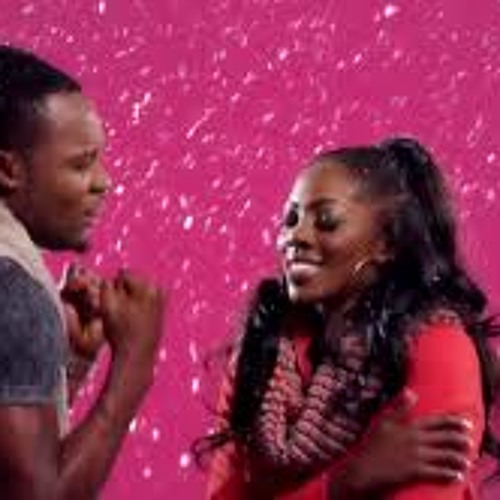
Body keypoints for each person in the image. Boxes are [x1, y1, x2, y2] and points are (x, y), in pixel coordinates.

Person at [204, 138, 499, 499]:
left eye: (326, 221)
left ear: (386, 243)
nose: (296, 236)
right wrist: (344, 481)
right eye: (291, 219)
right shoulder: (261, 354)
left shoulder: (437, 347)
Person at [0, 45, 165, 499]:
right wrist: (134, 363)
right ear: (7, 169)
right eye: (81, 162)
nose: (103, 181)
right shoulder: (11, 289)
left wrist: (67, 365)